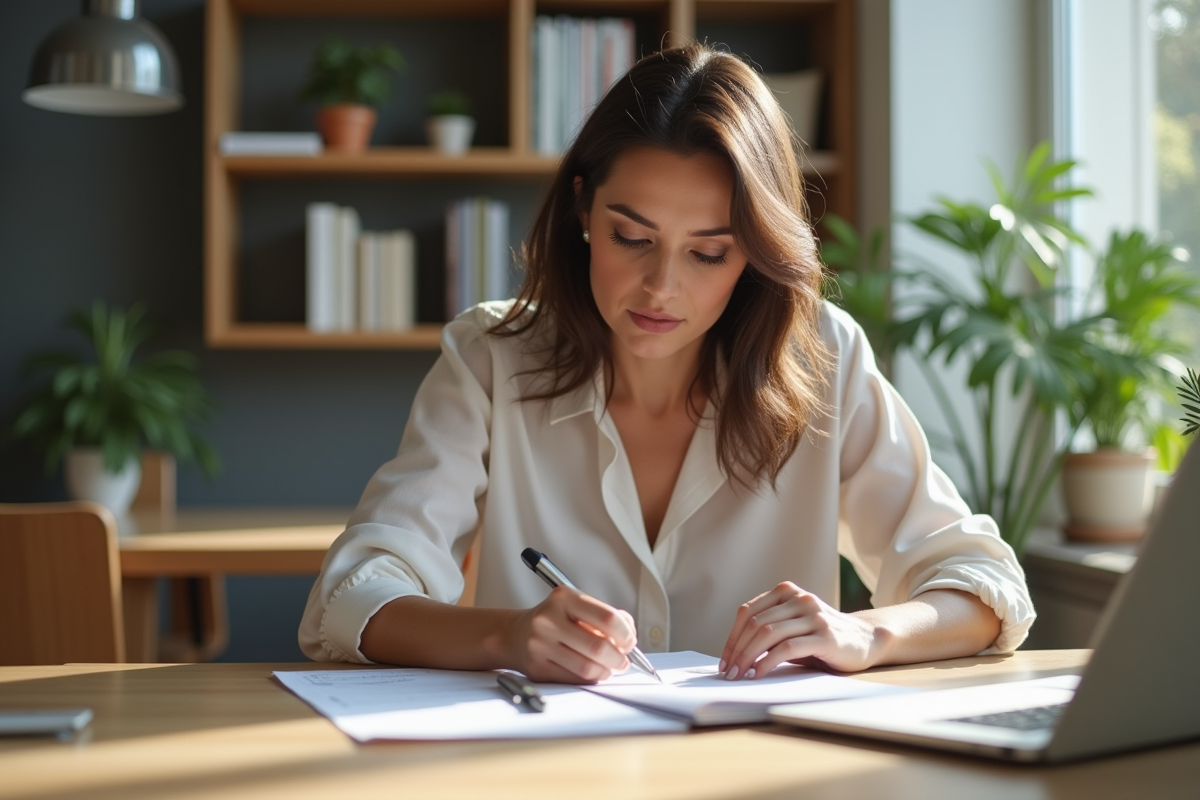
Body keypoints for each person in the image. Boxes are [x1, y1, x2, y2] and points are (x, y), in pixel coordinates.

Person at [299, 44, 1034, 684]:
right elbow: (355, 594)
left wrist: (865, 634)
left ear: (751, 251)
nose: (661, 288)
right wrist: (509, 636)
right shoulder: (492, 358)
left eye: (708, 253)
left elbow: (982, 584)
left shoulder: (823, 356)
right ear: (584, 210)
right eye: (632, 237)